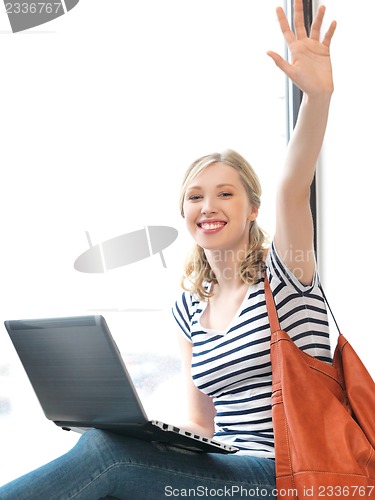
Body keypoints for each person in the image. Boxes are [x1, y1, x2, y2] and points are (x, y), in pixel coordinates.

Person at [0, 1, 336, 498]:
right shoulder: (188, 309)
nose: (208, 206)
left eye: (226, 194)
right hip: (223, 476)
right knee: (108, 445)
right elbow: (201, 423)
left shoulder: (286, 276)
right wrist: (153, 439)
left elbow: (292, 186)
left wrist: (318, 97)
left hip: (289, 475)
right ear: (184, 212)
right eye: (196, 196)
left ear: (252, 210)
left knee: (105, 458)